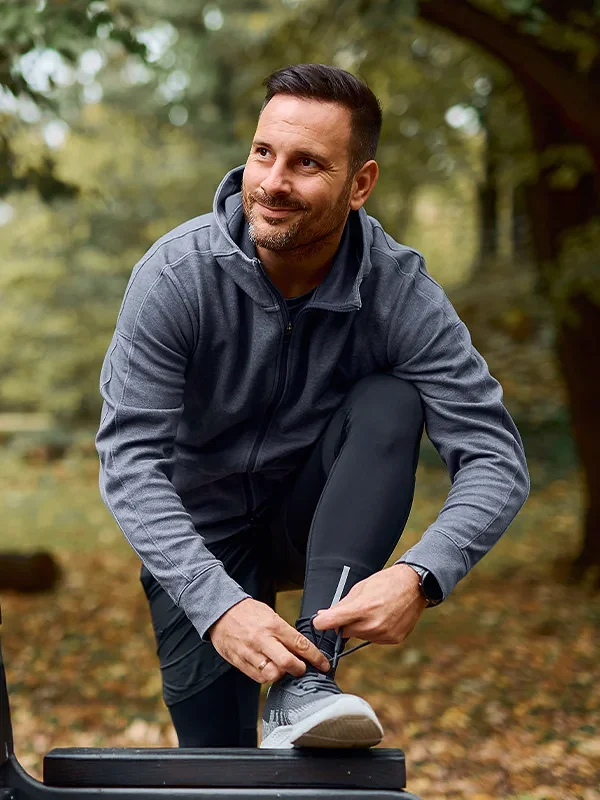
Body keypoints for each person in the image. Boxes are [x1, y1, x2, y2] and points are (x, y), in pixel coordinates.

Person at [96, 63, 529, 750]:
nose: (271, 183)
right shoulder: (177, 278)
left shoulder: (399, 291)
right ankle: (250, 708)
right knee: (220, 764)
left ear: (361, 184)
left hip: (318, 518)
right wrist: (219, 606)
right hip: (201, 535)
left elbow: (495, 458)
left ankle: (307, 683)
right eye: (263, 154)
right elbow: (128, 461)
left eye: (306, 164)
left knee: (390, 399)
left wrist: (424, 574)